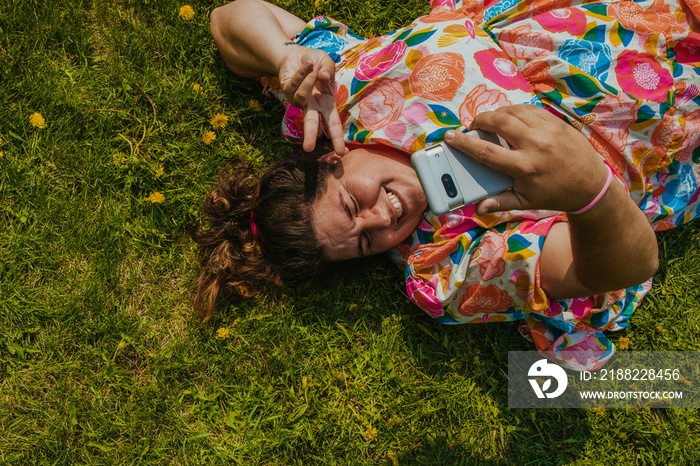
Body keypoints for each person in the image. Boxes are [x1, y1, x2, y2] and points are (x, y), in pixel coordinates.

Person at [197, 0, 700, 369]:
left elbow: (228, 20)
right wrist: (588, 188)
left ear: (333, 157)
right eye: (367, 244)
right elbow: (628, 264)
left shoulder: (341, 98)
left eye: (354, 204)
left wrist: (283, 56)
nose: (384, 220)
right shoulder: (448, 261)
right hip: (668, 109)